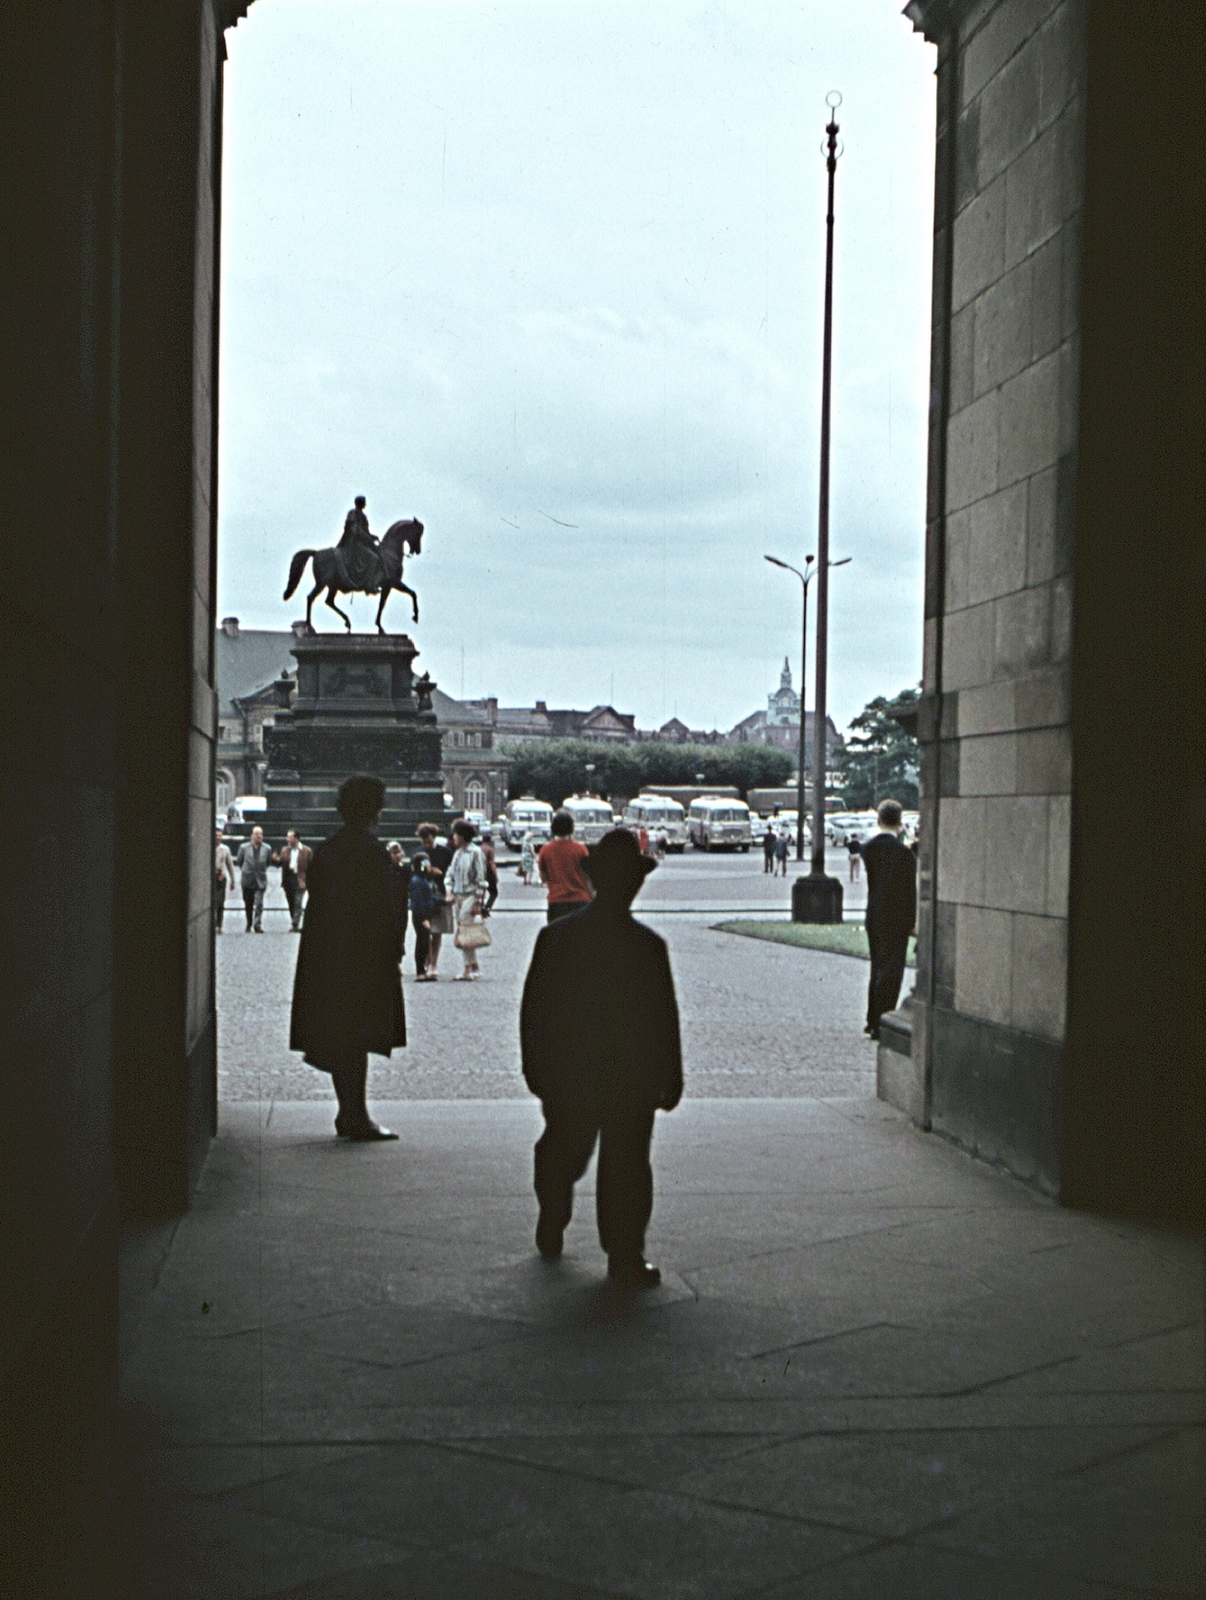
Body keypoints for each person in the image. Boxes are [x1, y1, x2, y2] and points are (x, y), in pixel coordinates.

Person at [520, 828, 682, 1289]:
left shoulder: (557, 938)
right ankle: (624, 1253)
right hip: (630, 1073)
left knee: (566, 1150)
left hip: (572, 1069)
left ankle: (557, 1215)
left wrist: (535, 1066)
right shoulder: (647, 945)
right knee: (627, 1165)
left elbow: (534, 1011)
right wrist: (672, 1076)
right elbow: (663, 1020)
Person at [289, 774, 403, 1140]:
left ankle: (350, 1111)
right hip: (360, 958)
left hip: (328, 955)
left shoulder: (327, 848)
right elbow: (381, 908)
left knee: (342, 1034)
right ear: (373, 811)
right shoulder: (370, 851)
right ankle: (354, 1115)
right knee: (355, 1036)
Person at [860, 798, 918, 1041]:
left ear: (879, 819)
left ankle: (872, 1018)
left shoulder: (868, 849)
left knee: (877, 967)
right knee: (893, 971)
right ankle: (883, 1019)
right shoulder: (904, 854)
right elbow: (909, 891)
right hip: (897, 917)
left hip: (875, 913)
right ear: (900, 820)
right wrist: (912, 922)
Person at [448, 819, 489, 979]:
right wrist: (449, 890)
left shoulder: (476, 853)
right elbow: (450, 874)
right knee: (464, 930)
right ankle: (474, 966)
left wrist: (478, 900)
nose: (454, 838)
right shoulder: (457, 854)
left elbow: (481, 878)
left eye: (456, 835)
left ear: (463, 836)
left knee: (464, 928)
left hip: (471, 894)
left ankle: (467, 969)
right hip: (458, 895)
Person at [538, 809, 593, 923]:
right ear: (571, 828)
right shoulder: (581, 849)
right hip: (580, 902)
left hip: (556, 903)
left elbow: (543, 878)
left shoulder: (546, 850)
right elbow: (588, 878)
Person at [416, 823, 454, 977]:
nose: (427, 845)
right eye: (424, 842)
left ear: (435, 838)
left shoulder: (445, 852)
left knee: (437, 931)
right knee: (426, 931)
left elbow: (452, 871)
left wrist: (441, 874)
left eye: (430, 842)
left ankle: (433, 963)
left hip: (440, 890)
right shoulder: (418, 853)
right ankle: (426, 961)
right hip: (424, 893)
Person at [336, 493, 382, 591]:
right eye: (364, 502)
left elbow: (365, 531)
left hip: (362, 541)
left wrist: (372, 537)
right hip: (354, 543)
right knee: (374, 558)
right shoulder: (353, 513)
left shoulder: (363, 516)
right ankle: (369, 585)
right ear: (360, 503)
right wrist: (368, 538)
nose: (365, 504)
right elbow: (355, 529)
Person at [235, 825, 273, 933]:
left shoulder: (267, 848)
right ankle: (248, 922)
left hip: (260, 879)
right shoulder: (243, 847)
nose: (259, 836)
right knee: (248, 902)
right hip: (247, 879)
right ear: (251, 835)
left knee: (259, 903)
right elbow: (239, 862)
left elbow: (268, 862)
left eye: (261, 834)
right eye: (256, 834)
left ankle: (257, 924)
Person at [273, 828, 313, 932]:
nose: (287, 839)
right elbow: (280, 863)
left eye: (290, 837)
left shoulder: (306, 851)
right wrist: (275, 859)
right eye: (287, 837)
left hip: (300, 878)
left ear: (296, 838)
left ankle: (295, 924)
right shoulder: (285, 850)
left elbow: (312, 866)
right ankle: (295, 919)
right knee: (291, 901)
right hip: (288, 878)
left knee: (298, 901)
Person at [409, 852, 438, 979]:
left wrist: (445, 902)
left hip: (425, 914)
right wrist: (423, 918)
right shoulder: (417, 881)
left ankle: (422, 970)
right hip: (421, 916)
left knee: (425, 942)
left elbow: (429, 898)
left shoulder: (422, 879)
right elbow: (418, 902)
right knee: (422, 943)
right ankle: (420, 971)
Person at [384, 841, 412, 961]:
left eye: (398, 852)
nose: (397, 855)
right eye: (393, 853)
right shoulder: (384, 870)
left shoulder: (405, 870)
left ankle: (397, 959)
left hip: (401, 906)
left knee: (401, 932)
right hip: (387, 906)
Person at [214, 828, 235, 933]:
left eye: (219, 835)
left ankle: (219, 925)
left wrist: (233, 880)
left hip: (221, 877)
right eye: (216, 835)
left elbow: (230, 865)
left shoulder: (225, 849)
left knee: (220, 901)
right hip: (210, 877)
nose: (218, 837)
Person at [480, 829, 499, 916]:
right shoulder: (489, 850)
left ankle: (481, 906)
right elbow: (492, 863)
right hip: (488, 872)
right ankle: (486, 907)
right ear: (490, 841)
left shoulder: (478, 849)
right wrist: (496, 875)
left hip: (479, 871)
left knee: (481, 891)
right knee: (494, 892)